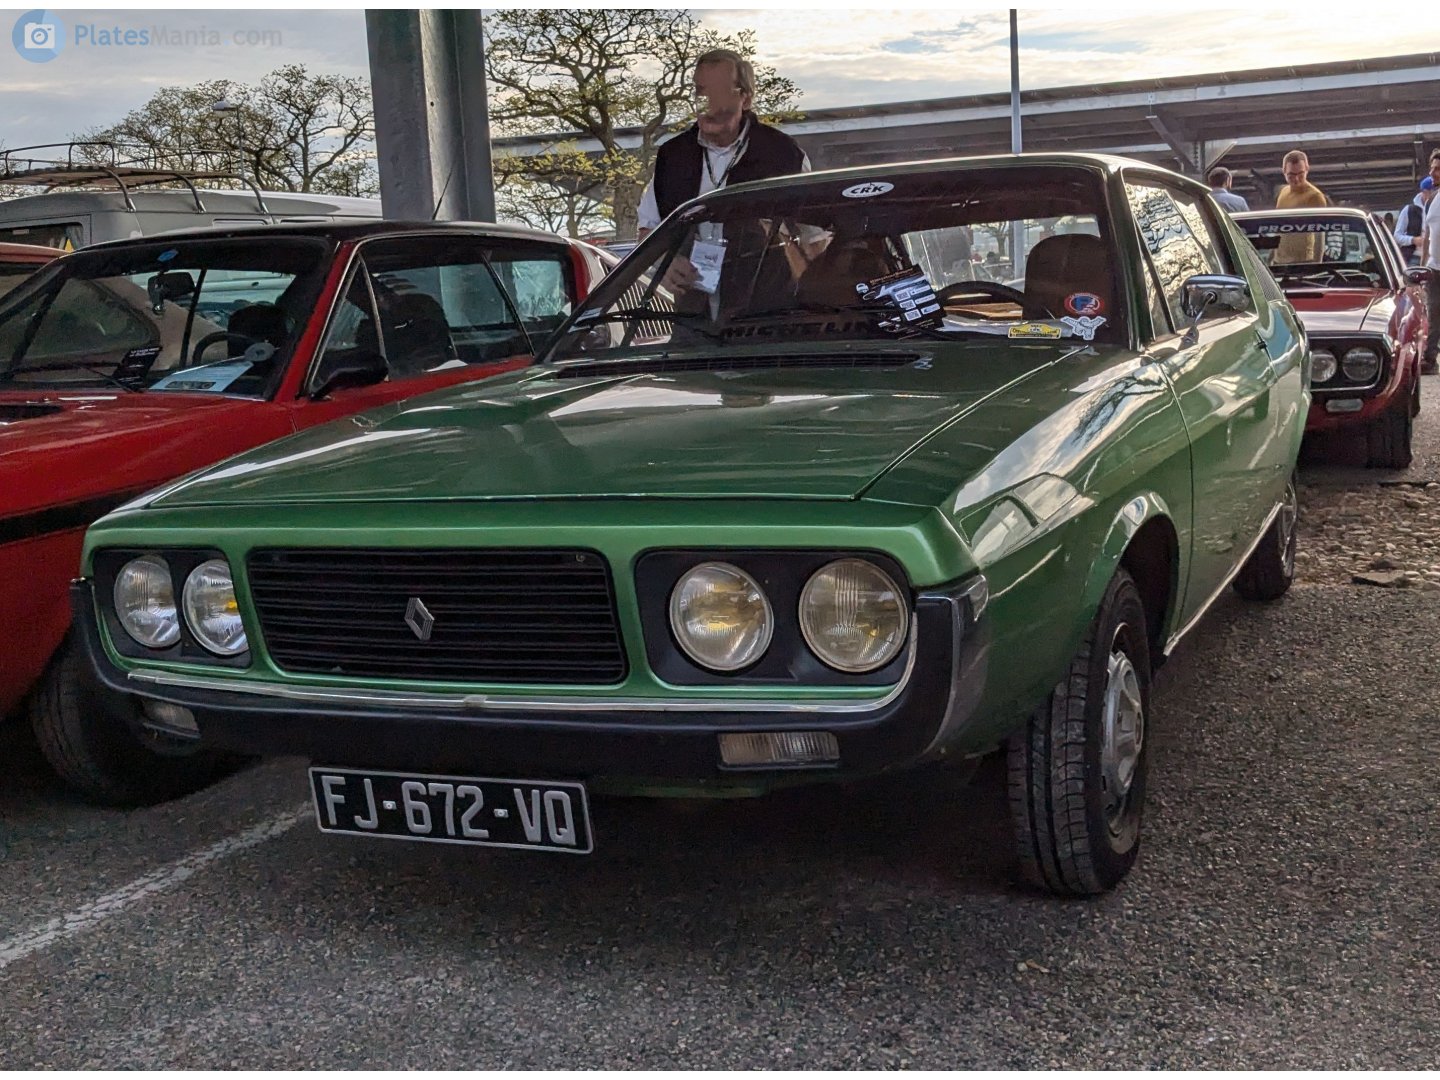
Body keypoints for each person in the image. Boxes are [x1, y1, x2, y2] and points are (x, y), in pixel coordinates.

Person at [635, 48, 809, 244]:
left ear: (746, 99)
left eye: (720, 93)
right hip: (689, 274)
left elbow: (813, 243)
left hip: (753, 274)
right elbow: (647, 230)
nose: (708, 105)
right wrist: (667, 261)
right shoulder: (672, 156)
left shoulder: (785, 155)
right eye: (701, 92)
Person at [1274, 150, 1328, 264]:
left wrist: (1317, 265)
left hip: (1303, 261)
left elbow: (1320, 235)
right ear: (1283, 171)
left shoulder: (1315, 196)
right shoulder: (1283, 192)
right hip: (1279, 260)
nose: (1296, 179)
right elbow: (1278, 228)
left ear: (1307, 169)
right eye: (1291, 175)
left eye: (1301, 174)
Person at [1417, 149, 1440, 373]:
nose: (1433, 173)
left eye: (1438, 169)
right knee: (1433, 310)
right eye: (1432, 168)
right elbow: (1427, 234)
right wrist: (1423, 267)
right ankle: (1430, 358)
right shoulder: (1431, 198)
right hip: (1434, 267)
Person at [1395, 177, 1432, 267]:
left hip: (1434, 259)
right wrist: (1412, 240)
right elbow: (1397, 236)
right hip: (1414, 257)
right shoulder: (1409, 210)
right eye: (1431, 193)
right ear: (1423, 192)